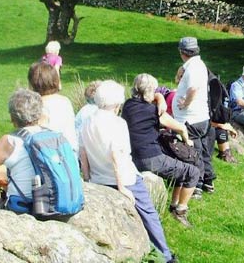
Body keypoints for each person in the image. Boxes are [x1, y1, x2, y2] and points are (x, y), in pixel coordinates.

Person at [79, 80, 177, 263]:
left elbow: (83, 153)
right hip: (124, 179)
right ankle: (165, 255)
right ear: (117, 103)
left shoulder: (86, 122)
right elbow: (117, 157)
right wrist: (122, 187)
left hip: (98, 178)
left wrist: (88, 179)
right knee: (149, 214)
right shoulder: (117, 123)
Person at [122, 73, 200, 228]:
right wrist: (187, 139)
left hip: (132, 156)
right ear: (150, 90)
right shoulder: (153, 111)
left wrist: (159, 97)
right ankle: (180, 211)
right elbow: (180, 127)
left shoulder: (128, 105)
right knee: (193, 172)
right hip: (151, 158)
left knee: (179, 165)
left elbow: (151, 98)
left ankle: (173, 204)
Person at [171, 37, 215, 197]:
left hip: (192, 118)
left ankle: (197, 184)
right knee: (202, 150)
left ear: (182, 52)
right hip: (199, 116)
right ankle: (208, 181)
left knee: (193, 153)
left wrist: (185, 104)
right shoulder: (193, 65)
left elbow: (194, 89)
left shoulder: (194, 67)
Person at [28, 61, 77, 155]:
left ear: (32, 83)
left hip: (50, 157)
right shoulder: (64, 101)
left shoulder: (35, 106)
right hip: (70, 154)